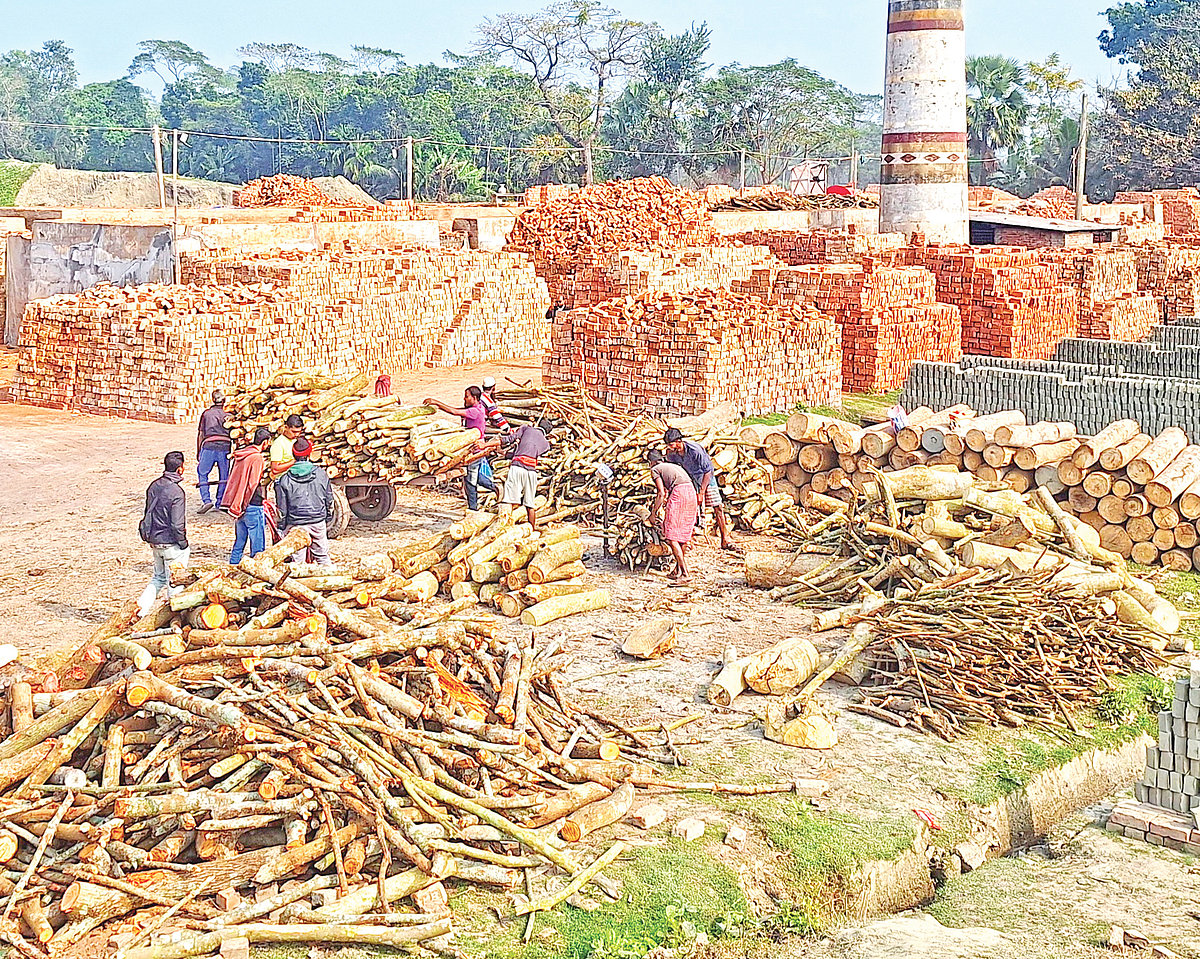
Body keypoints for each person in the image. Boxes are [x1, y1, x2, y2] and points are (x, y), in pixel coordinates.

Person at [663, 427, 738, 551]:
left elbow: (708, 471)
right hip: (689, 479)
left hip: (705, 477)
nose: (670, 447)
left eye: (671, 444)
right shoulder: (671, 454)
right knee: (689, 509)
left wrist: (701, 492)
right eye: (668, 445)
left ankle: (725, 537)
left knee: (717, 506)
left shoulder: (694, 450)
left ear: (679, 441)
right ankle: (687, 539)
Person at [425, 387, 497, 510]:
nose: (464, 398)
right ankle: (495, 487)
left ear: (474, 398)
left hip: (474, 450)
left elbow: (454, 412)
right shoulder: (478, 408)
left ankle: (473, 508)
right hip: (476, 450)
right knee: (475, 476)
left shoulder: (475, 411)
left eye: (466, 396)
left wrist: (436, 402)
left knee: (470, 482)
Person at [138, 451, 189, 615]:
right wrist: (183, 543)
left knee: (158, 578)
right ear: (180, 469)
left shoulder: (154, 485)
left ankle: (139, 611)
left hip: (155, 540)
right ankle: (175, 615)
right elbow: (176, 524)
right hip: (171, 543)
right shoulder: (176, 492)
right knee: (175, 581)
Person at [274, 438, 335, 566]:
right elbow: (329, 500)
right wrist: (326, 518)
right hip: (317, 521)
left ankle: (297, 584)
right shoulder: (321, 474)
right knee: (323, 557)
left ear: (293, 454)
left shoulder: (284, 480)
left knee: (297, 562)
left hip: (296, 524)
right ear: (309, 454)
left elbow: (282, 510)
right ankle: (331, 582)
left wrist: (282, 528)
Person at [221, 427, 272, 564]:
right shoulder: (257, 458)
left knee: (239, 542)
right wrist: (244, 504)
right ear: (265, 442)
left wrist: (238, 505)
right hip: (251, 504)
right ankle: (256, 571)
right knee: (257, 545)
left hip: (237, 503)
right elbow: (252, 484)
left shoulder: (241, 455)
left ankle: (232, 566)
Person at [647, 449, 698, 584]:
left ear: (651, 462)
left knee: (671, 536)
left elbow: (661, 494)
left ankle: (685, 573)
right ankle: (677, 570)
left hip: (679, 494)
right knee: (683, 536)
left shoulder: (655, 469)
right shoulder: (673, 466)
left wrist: (653, 514)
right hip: (691, 493)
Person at [496, 421, 550, 531]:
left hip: (517, 467)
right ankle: (532, 529)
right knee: (529, 504)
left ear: (538, 424)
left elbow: (510, 439)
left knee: (509, 500)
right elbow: (528, 452)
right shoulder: (546, 444)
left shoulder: (527, 429)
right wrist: (506, 454)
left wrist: (489, 445)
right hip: (531, 472)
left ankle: (504, 528)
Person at [196, 390, 231, 513]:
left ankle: (206, 500)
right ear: (224, 401)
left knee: (202, 472)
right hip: (225, 446)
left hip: (208, 445)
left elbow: (201, 433)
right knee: (224, 475)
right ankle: (220, 502)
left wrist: (199, 450)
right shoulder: (229, 414)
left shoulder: (206, 414)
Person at [270, 414, 305, 480]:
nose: (297, 434)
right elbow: (275, 469)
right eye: (294, 432)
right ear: (286, 427)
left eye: (299, 432)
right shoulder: (279, 443)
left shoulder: (297, 440)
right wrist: (294, 461)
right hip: (284, 482)